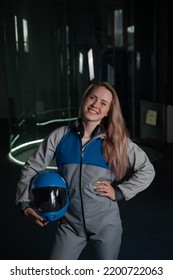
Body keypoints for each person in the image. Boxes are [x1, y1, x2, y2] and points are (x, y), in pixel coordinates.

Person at [16, 81, 155, 260]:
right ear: (85, 100)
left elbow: (147, 170)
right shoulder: (60, 136)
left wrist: (120, 191)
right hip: (70, 224)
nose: (96, 105)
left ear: (108, 112)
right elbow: (33, 166)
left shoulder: (117, 141)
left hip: (105, 225)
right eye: (92, 98)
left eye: (103, 103)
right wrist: (24, 202)